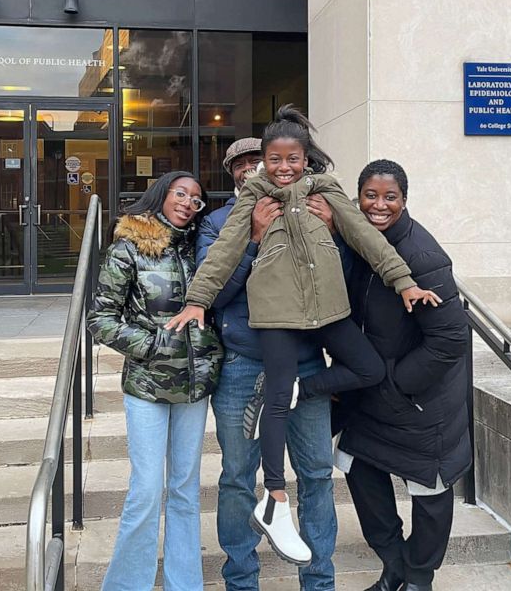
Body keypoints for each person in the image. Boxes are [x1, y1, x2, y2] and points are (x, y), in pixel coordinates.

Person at [166, 106, 441, 566]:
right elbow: (223, 254)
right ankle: (274, 500)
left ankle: (302, 390)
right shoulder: (250, 199)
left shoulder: (326, 191)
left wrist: (403, 280)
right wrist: (198, 300)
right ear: (257, 166)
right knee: (266, 418)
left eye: (292, 159)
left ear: (306, 158)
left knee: (368, 368)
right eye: (272, 160)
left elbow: (368, 240)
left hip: (323, 315)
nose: (282, 168)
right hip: (272, 320)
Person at [199, 137, 339, 591]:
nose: (249, 169)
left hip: (305, 366)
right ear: (232, 173)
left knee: (316, 473)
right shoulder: (216, 224)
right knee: (238, 477)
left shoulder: (310, 209)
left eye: (256, 161)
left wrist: (332, 228)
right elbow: (214, 295)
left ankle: (318, 581)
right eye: (240, 164)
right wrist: (253, 240)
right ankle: (241, 580)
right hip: (243, 367)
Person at [335, 159, 472, 591]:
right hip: (371, 394)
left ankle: (418, 577)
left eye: (389, 197)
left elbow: (450, 339)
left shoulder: (422, 256)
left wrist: (395, 384)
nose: (379, 205)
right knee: (359, 470)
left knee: (429, 494)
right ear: (357, 199)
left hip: (418, 401)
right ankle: (394, 564)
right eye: (370, 196)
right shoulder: (357, 243)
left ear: (404, 200)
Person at [87, 171, 224, 591]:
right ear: (161, 195)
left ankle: (185, 584)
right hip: (147, 385)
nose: (187, 202)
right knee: (147, 491)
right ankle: (127, 585)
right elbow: (101, 319)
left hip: (195, 386)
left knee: (184, 490)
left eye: (196, 199)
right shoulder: (129, 248)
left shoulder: (202, 250)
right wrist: (153, 346)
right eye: (179, 193)